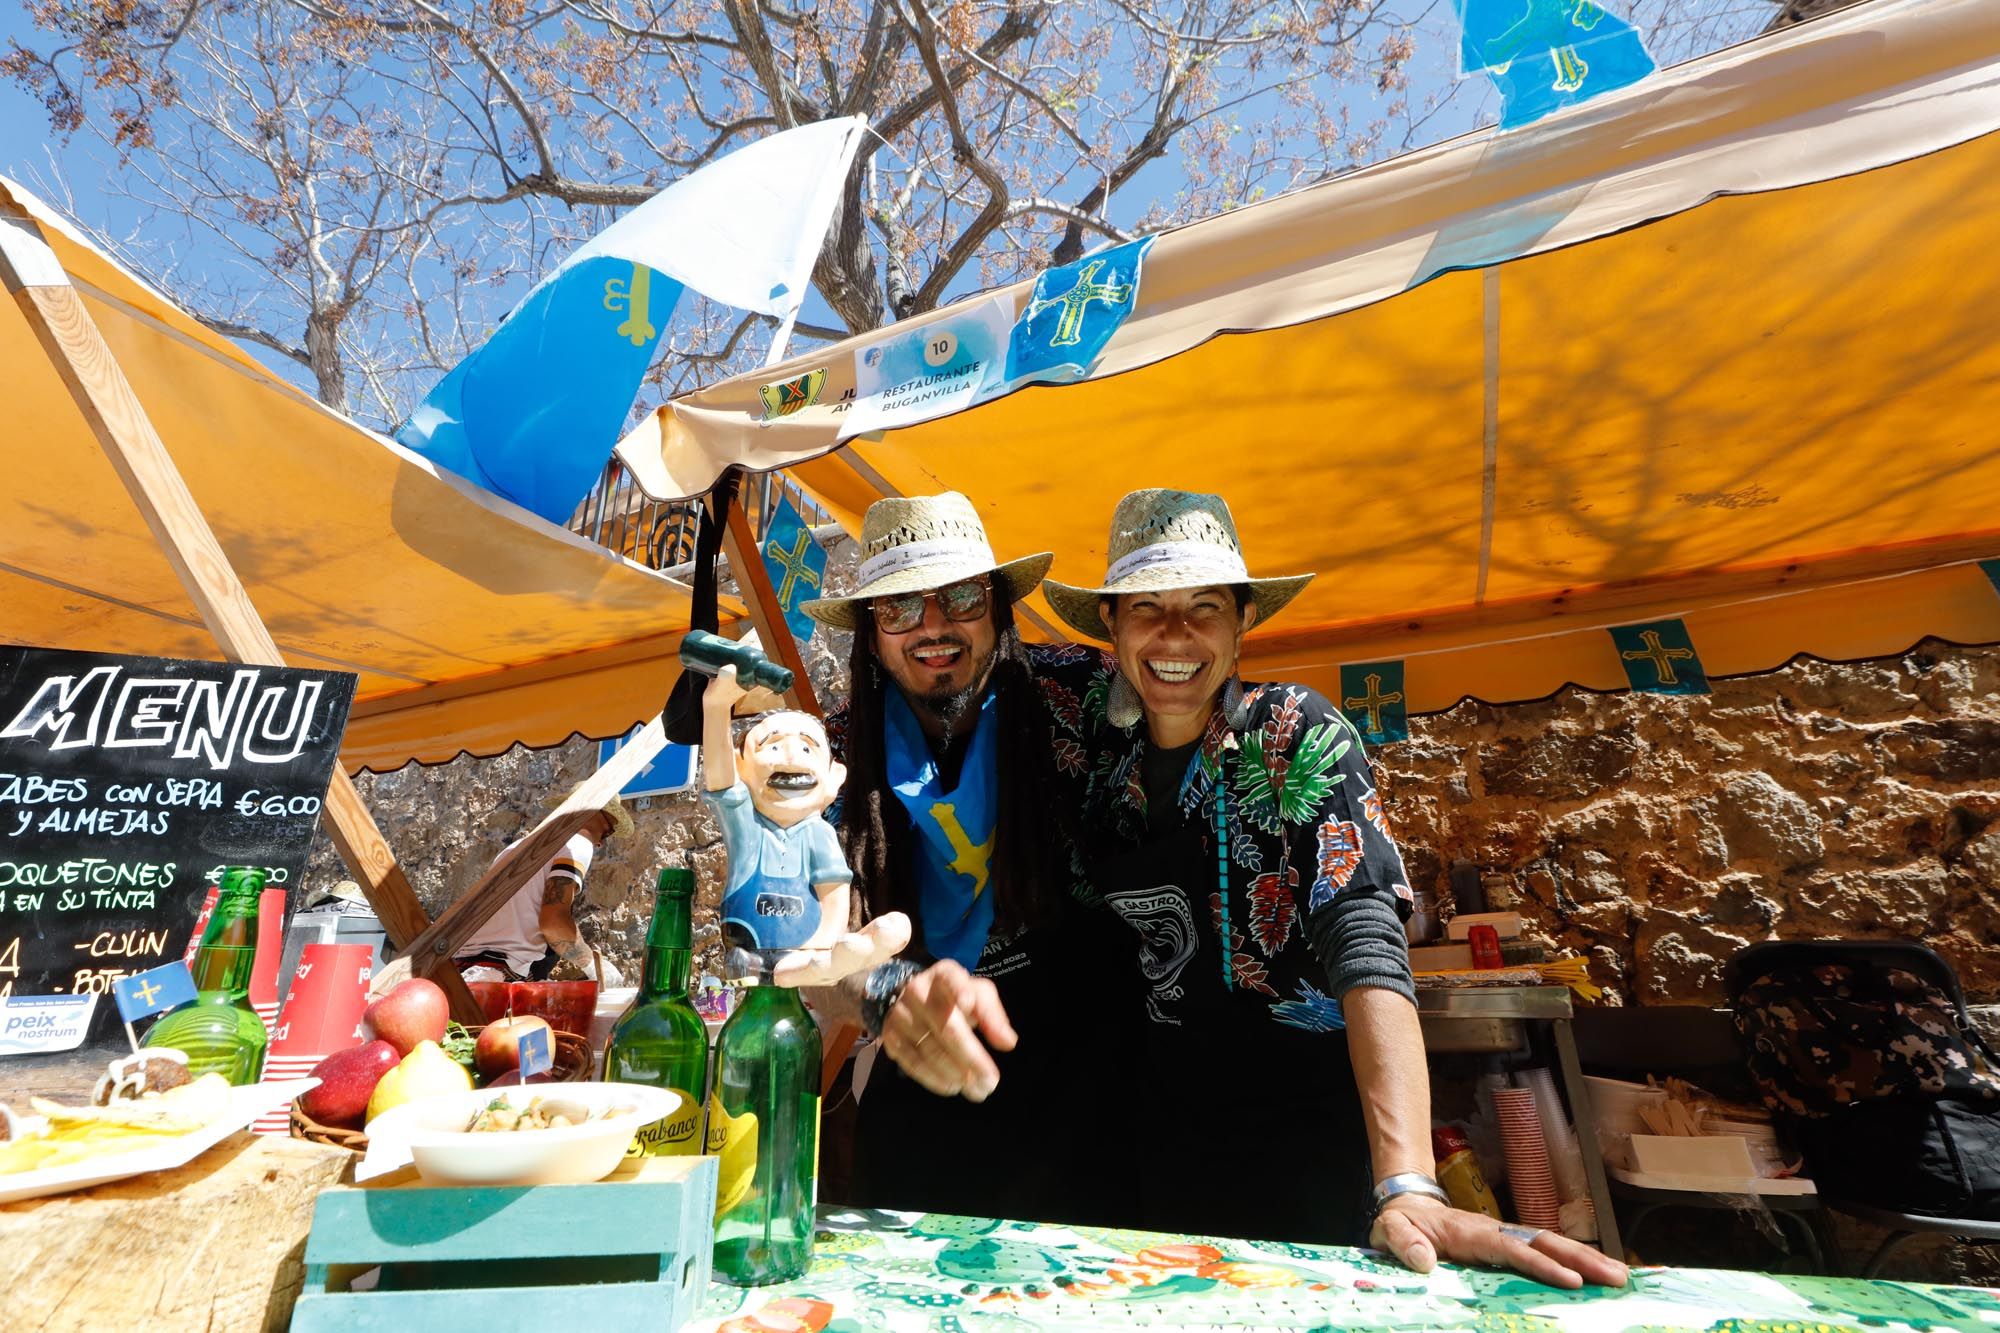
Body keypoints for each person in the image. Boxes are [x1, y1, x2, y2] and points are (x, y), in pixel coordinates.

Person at [1037, 488, 1627, 1289]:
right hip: (1155, 1133)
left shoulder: (1294, 734)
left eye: (1204, 607)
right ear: (1111, 625)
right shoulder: (1095, 760)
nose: (1175, 634)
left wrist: (1409, 1179)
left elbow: (1364, 938)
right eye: (1147, 606)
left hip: (1303, 1138)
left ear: (1243, 621)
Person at [799, 492, 1136, 1222]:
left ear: (997, 606)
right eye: (898, 607)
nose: (933, 626)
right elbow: (813, 951)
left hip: (1088, 1103)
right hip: (920, 1097)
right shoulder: (831, 755)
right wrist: (882, 990)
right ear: (870, 632)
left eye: (960, 596)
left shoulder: (1084, 695)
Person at [698, 674, 911, 986]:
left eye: (808, 749)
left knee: (827, 959)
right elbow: (720, 780)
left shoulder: (819, 834)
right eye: (771, 745)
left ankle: (838, 960)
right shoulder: (746, 824)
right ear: (739, 766)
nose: (791, 756)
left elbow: (833, 896)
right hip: (747, 948)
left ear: (833, 777)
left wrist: (825, 942)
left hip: (806, 949)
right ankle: (834, 963)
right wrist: (716, 708)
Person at [454, 798, 631, 983]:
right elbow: (554, 923)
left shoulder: (518, 846)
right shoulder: (578, 843)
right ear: (595, 813)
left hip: (466, 967)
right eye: (607, 831)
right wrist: (592, 965)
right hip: (504, 970)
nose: (601, 842)